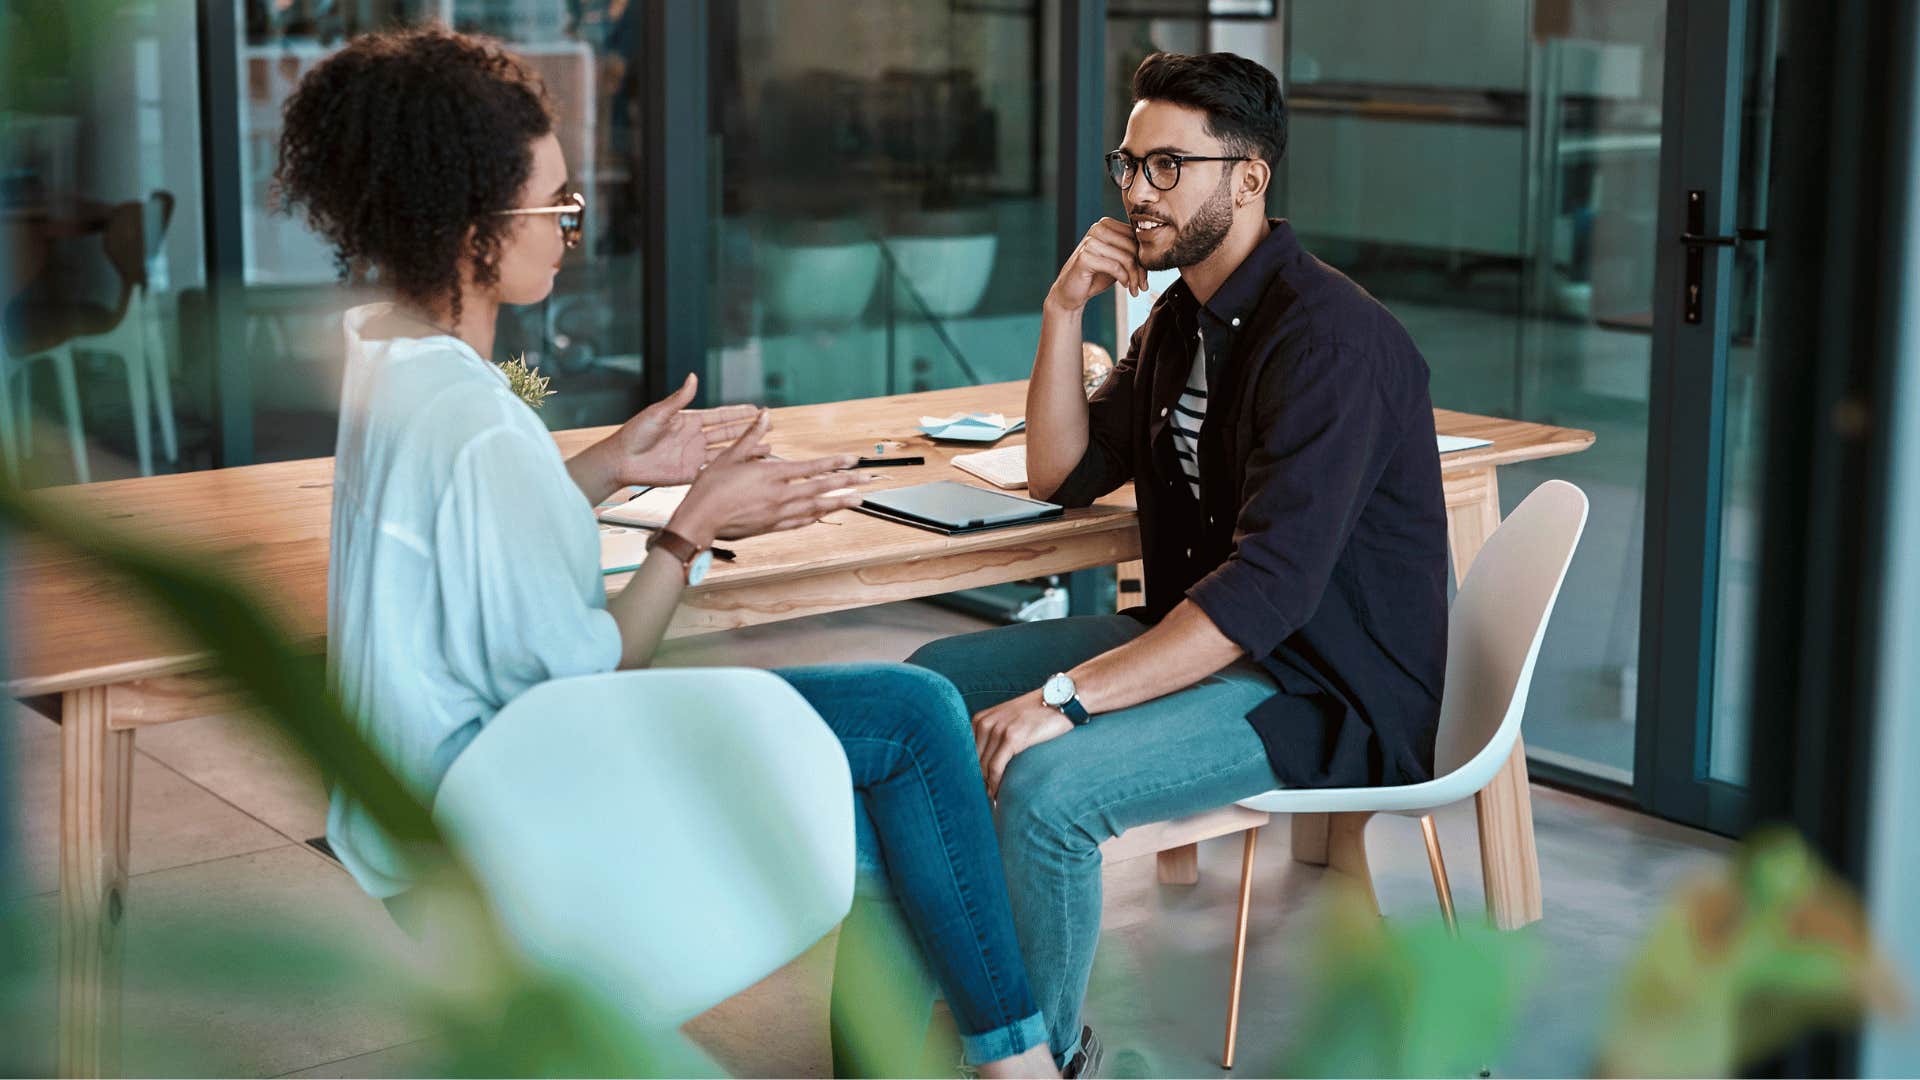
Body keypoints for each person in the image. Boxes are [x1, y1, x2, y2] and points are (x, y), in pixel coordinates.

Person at [276, 26, 1053, 1078]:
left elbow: (471, 547)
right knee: (915, 724)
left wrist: (609, 467)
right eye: (555, 206)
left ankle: (945, 1058)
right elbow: (593, 671)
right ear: (472, 232)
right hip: (503, 808)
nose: (573, 230)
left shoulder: (392, 367)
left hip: (412, 811)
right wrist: (692, 530)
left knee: (894, 785)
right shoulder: (477, 428)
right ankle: (1021, 1066)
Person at [907, 51, 1451, 1070]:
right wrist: (1061, 312)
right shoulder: (1182, 319)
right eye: (1129, 165)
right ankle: (951, 1014)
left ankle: (1040, 1059)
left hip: (1317, 686)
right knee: (923, 695)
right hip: (1211, 640)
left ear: (1247, 178)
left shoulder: (1330, 343)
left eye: (1168, 167)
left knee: (1048, 792)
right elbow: (1061, 471)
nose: (1137, 193)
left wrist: (1065, 697)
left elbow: (1268, 594)